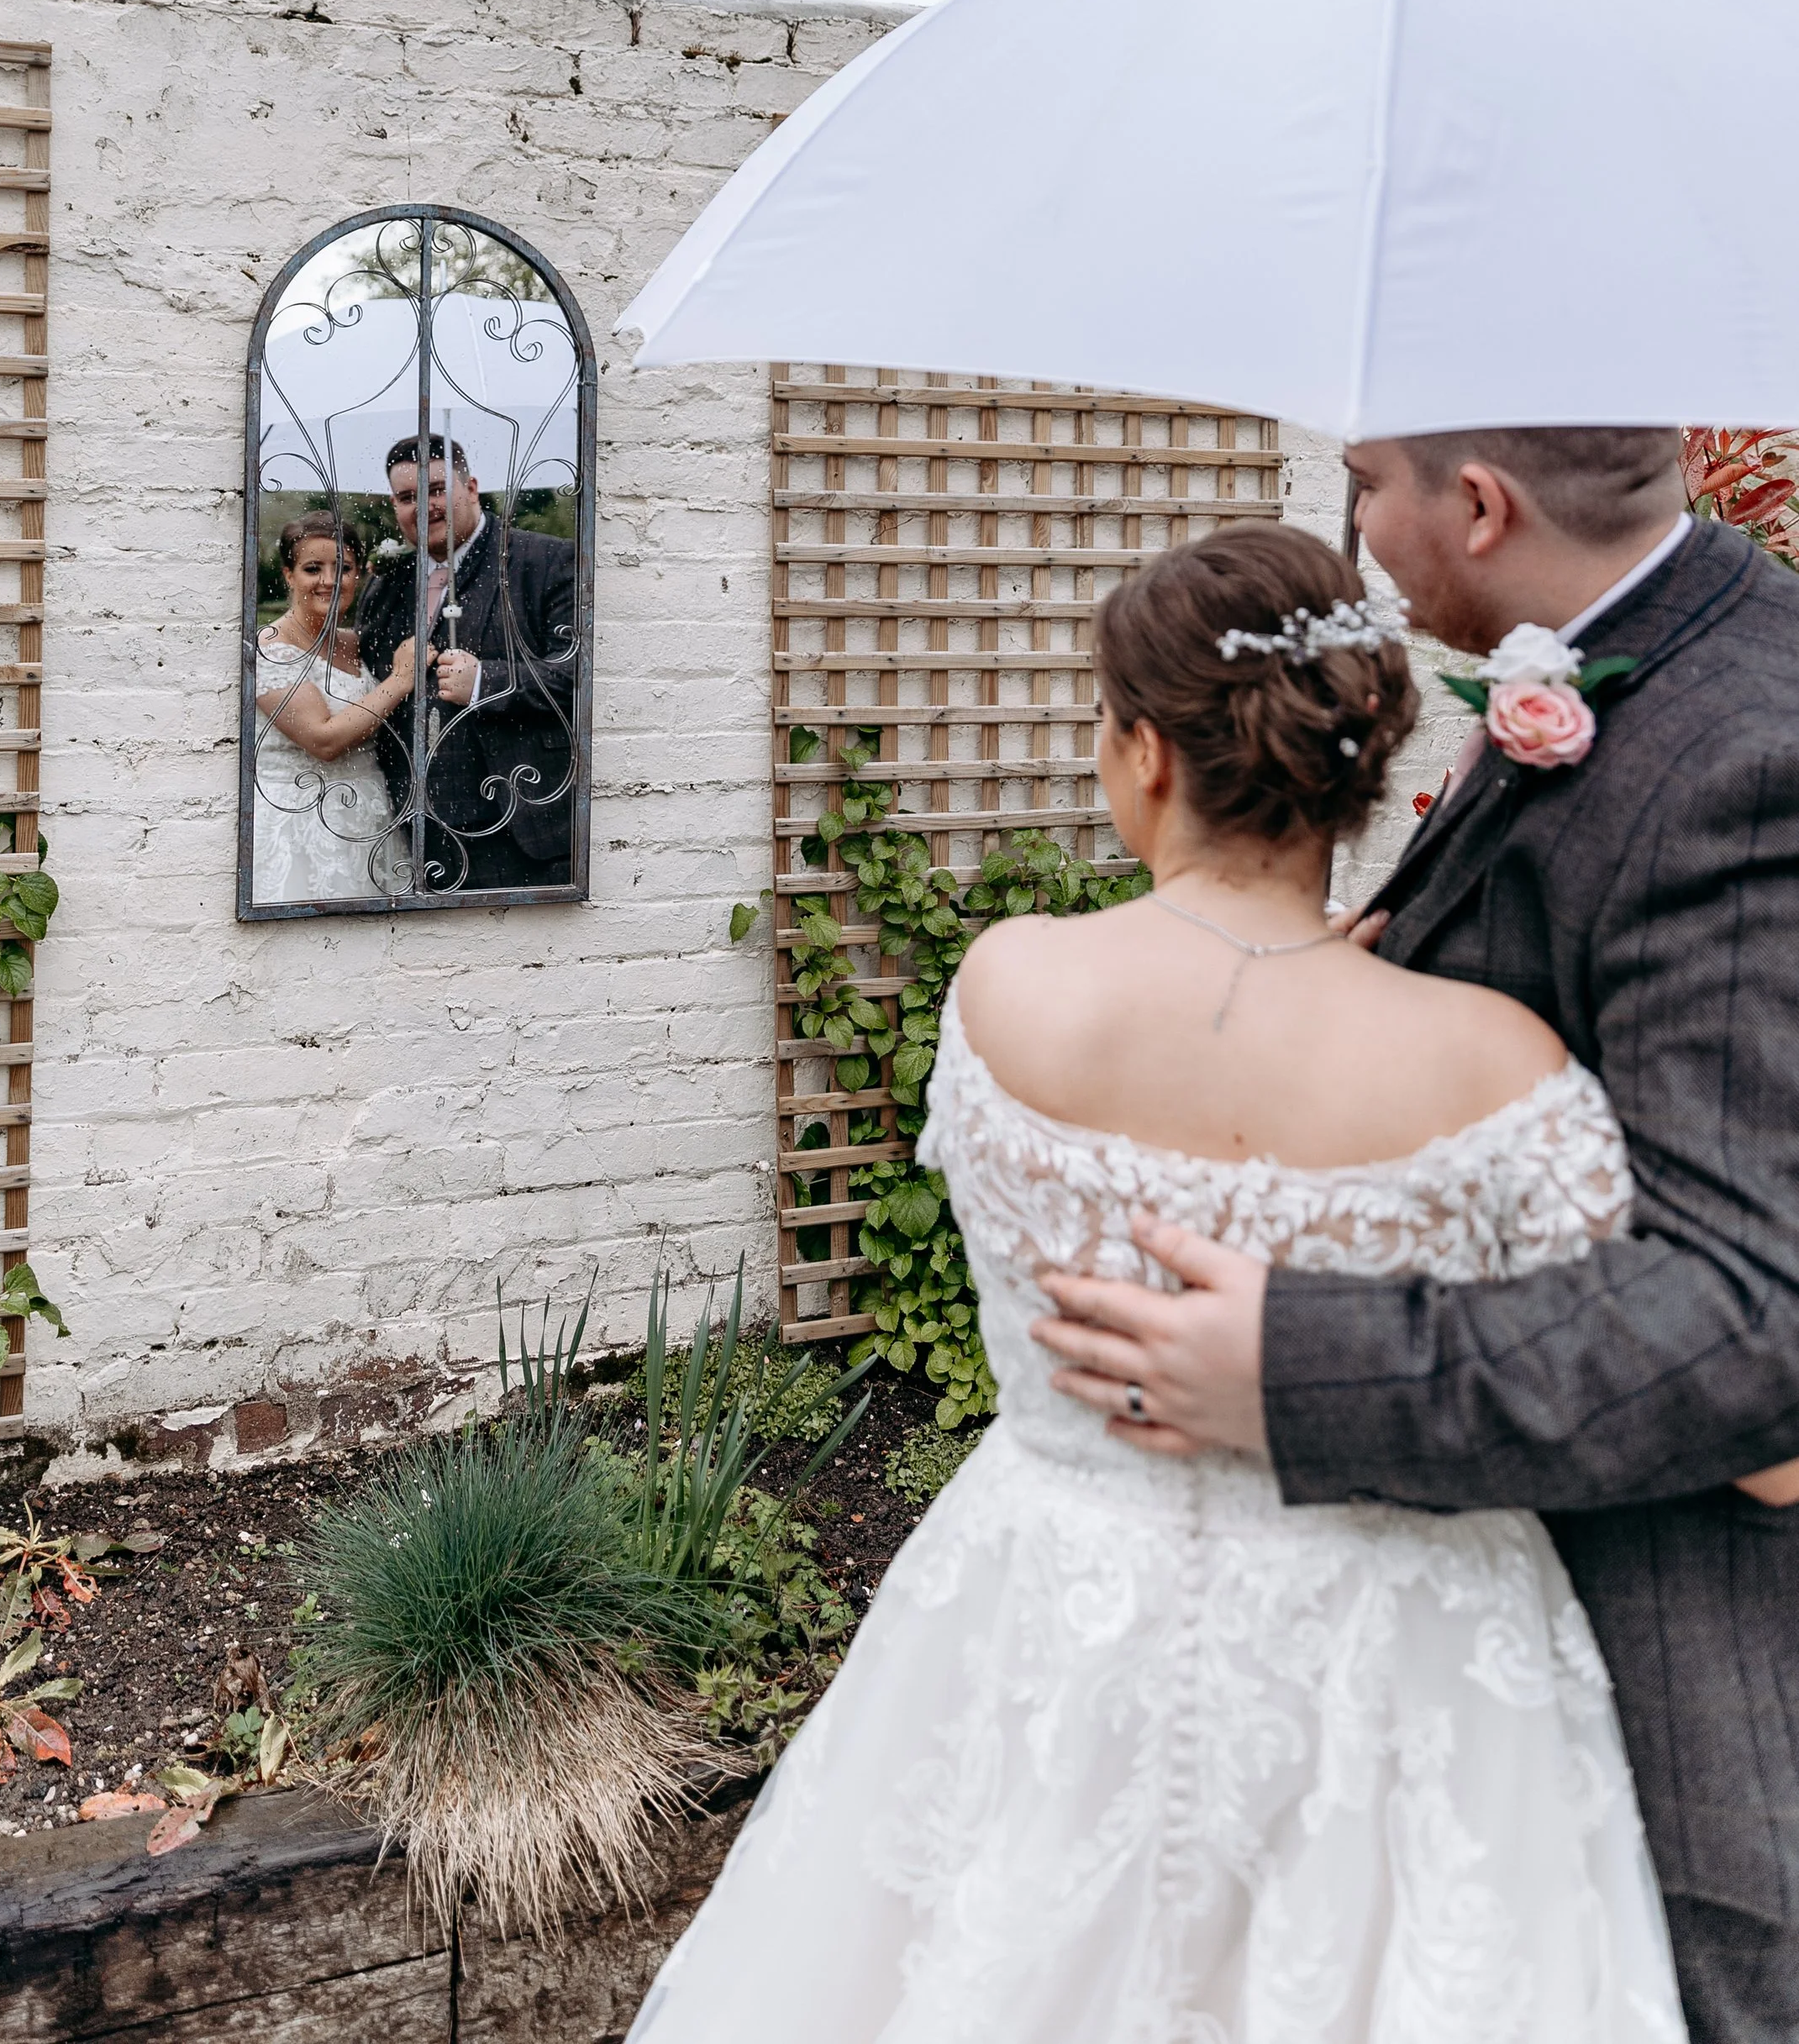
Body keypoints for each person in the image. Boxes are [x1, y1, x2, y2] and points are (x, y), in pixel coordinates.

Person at [632, 520, 1799, 2038]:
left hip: (1051, 1635)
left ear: (1144, 757)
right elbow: (1768, 1453)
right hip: (1403, 1676)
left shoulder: (1009, 991)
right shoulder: (1493, 1066)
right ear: (1361, 762)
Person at [1037, 433, 1799, 2044]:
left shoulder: (1748, 749)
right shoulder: (1614, 676)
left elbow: (1757, 1325)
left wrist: (1295, 1366)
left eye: (1371, 482)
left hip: (1687, 1674)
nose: (1359, 529)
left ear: (1477, 505)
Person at [353, 431, 578, 893]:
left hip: (519, 825)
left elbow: (579, 673)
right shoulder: (387, 586)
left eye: (437, 490)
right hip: (412, 832)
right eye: (407, 497)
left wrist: (484, 682)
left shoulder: (547, 560)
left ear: (471, 487)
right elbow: (367, 682)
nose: (424, 507)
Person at [250, 516, 413, 902]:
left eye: (343, 567)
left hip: (371, 816)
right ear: (288, 575)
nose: (329, 580)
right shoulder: (272, 648)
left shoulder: (356, 644)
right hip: (304, 824)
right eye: (312, 569)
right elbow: (323, 740)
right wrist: (402, 678)